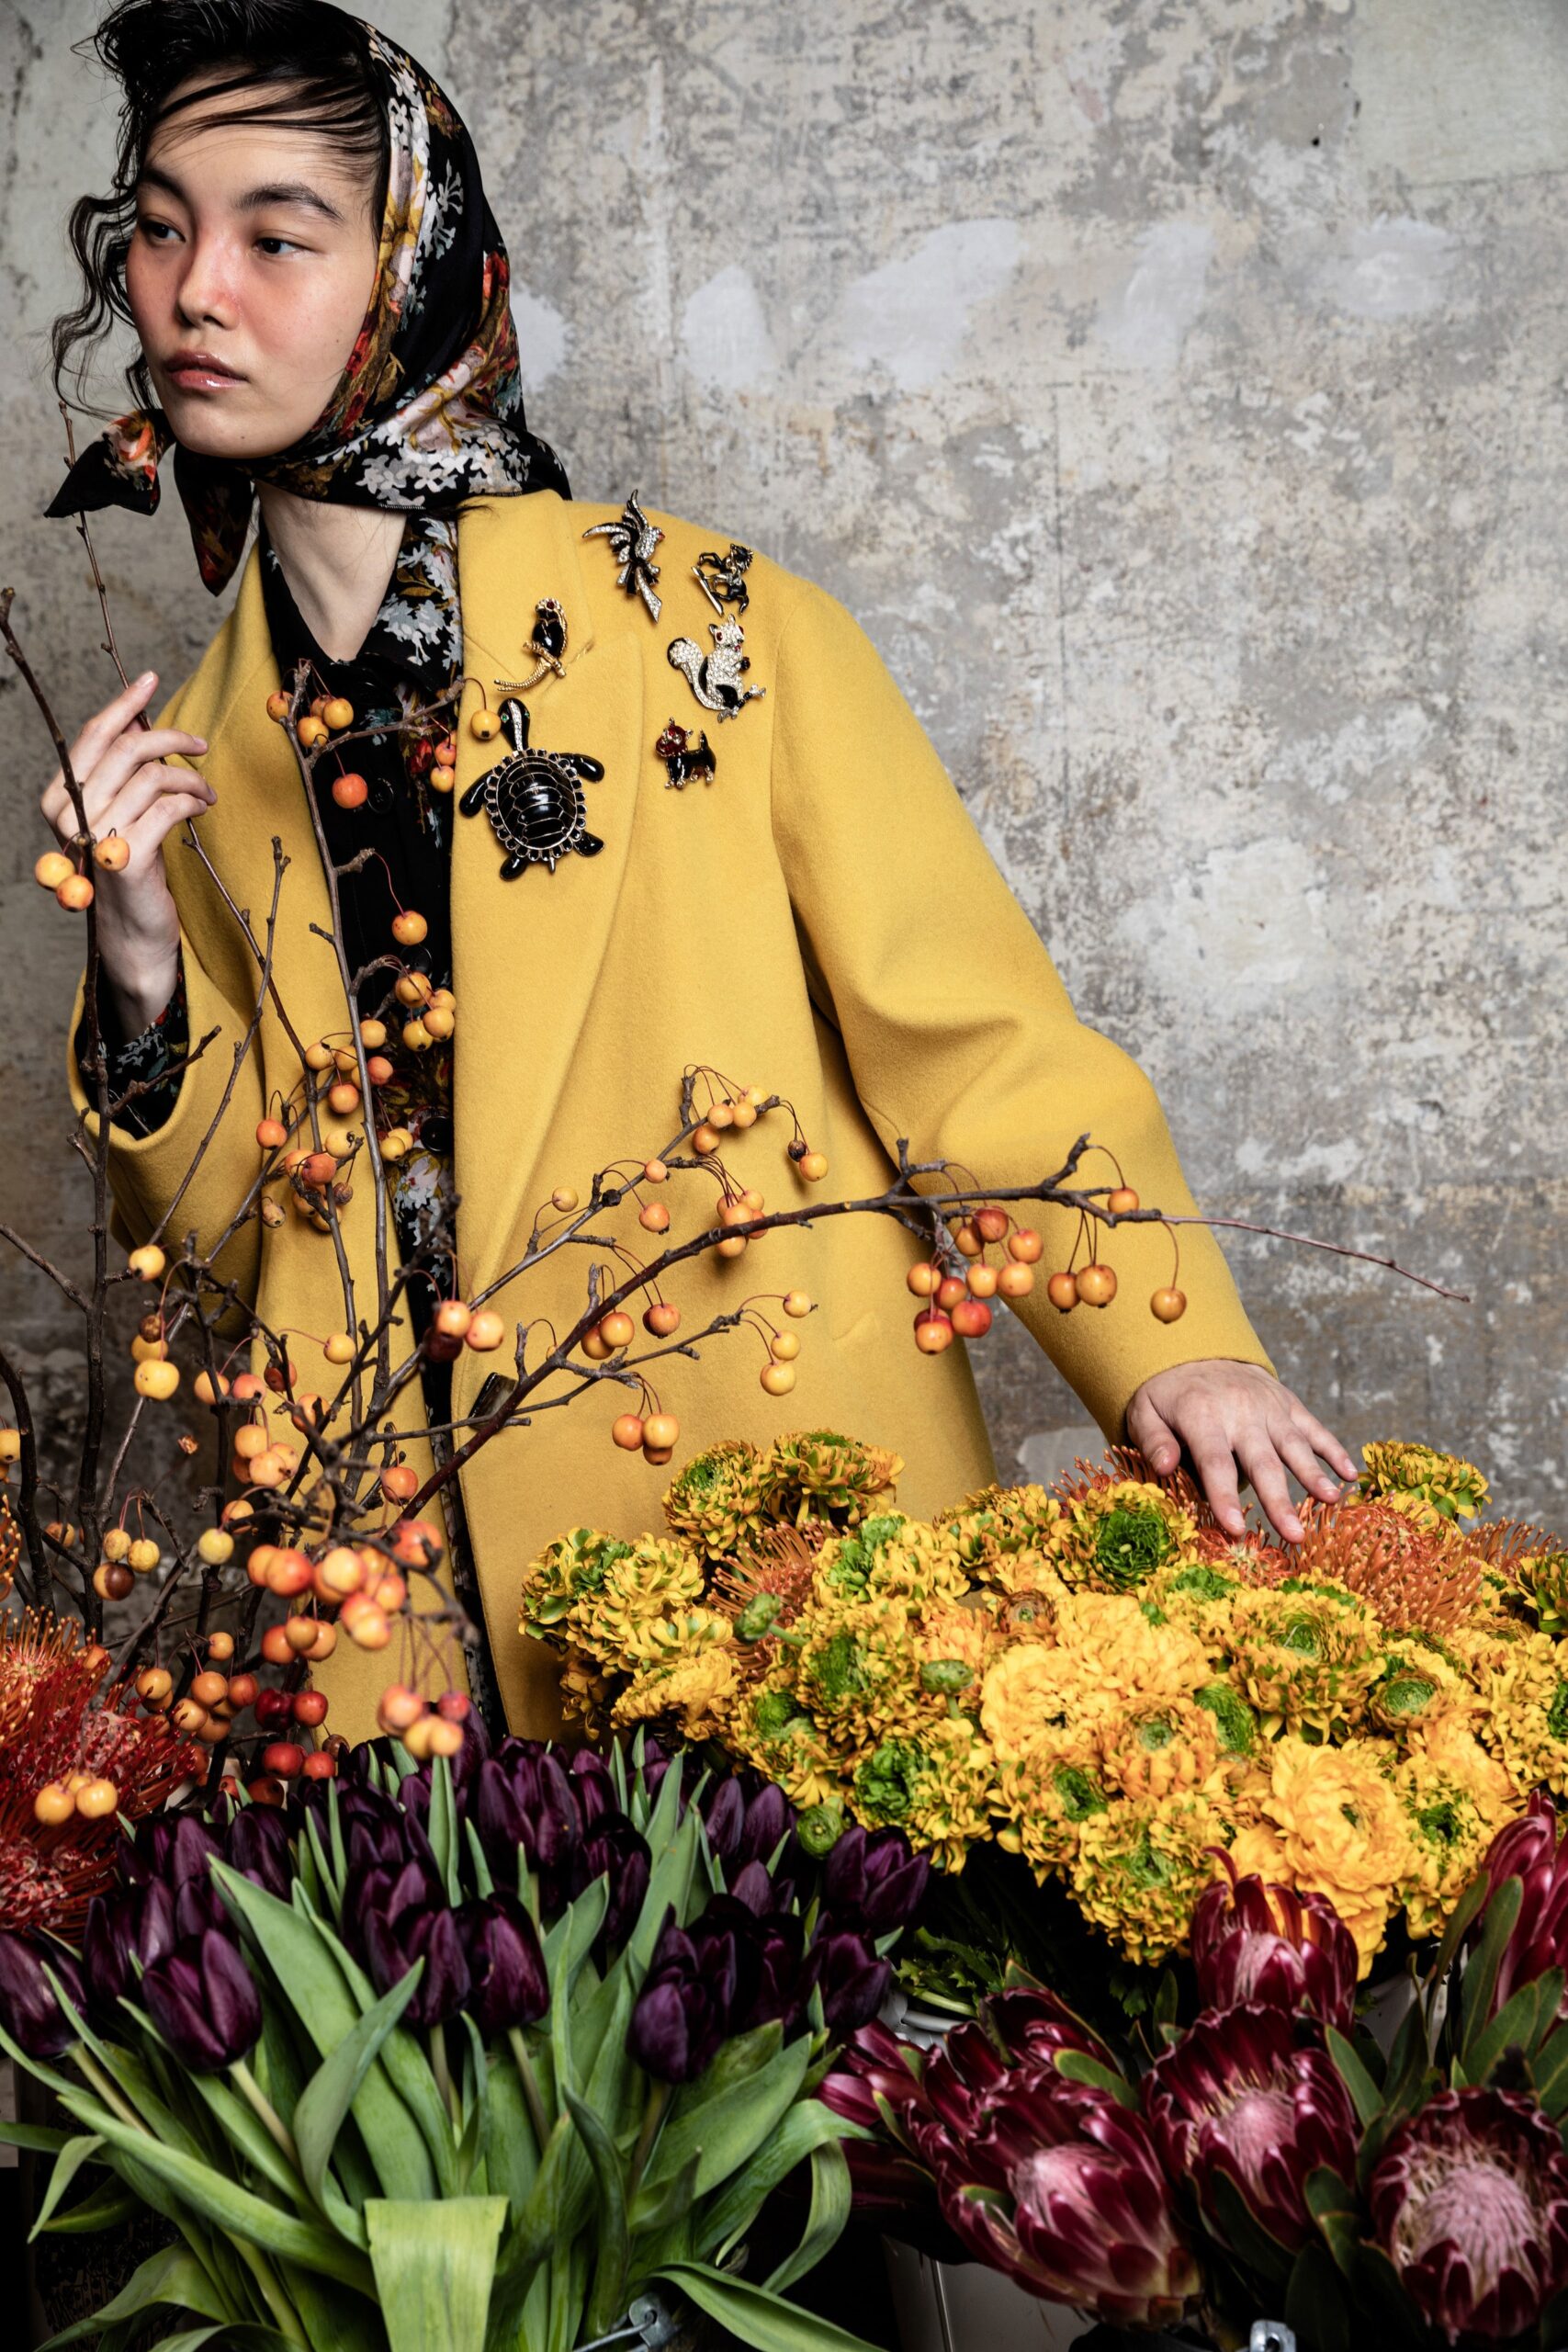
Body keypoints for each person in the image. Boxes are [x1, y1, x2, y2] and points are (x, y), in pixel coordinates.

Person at [39, 1, 1357, 1745]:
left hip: (761, 1531)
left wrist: (1177, 1345)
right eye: (159, 229)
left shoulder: (711, 628)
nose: (197, 291)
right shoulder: (194, 754)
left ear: (413, 269)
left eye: (277, 238)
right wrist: (137, 958)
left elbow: (969, 1040)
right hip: (392, 1626)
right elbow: (233, 1246)